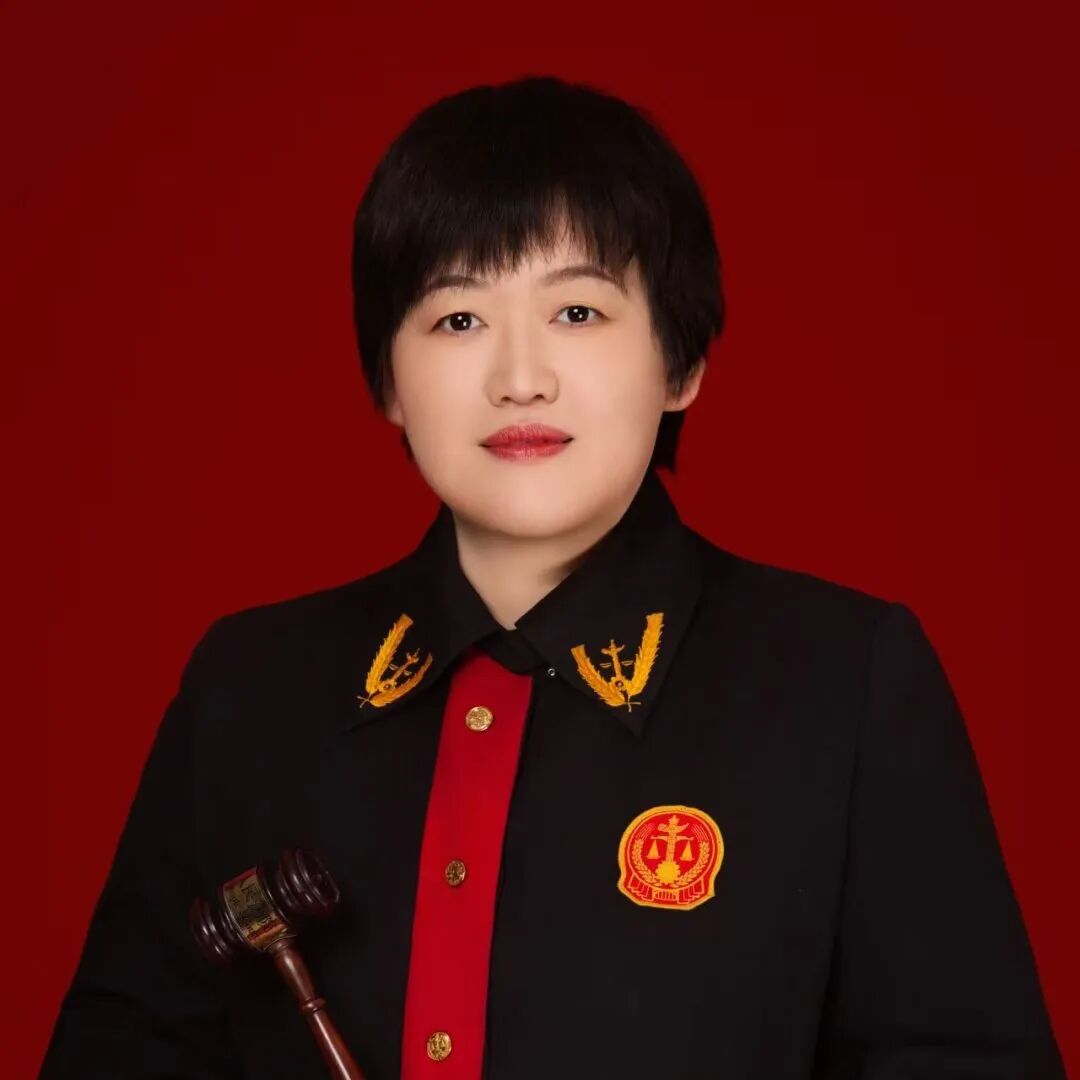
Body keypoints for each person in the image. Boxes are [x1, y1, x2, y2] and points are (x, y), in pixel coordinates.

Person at [41, 74, 1065, 1079]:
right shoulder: (247, 689)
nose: (519, 378)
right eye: (458, 319)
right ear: (388, 379)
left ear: (680, 363)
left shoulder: (845, 682)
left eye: (577, 312)